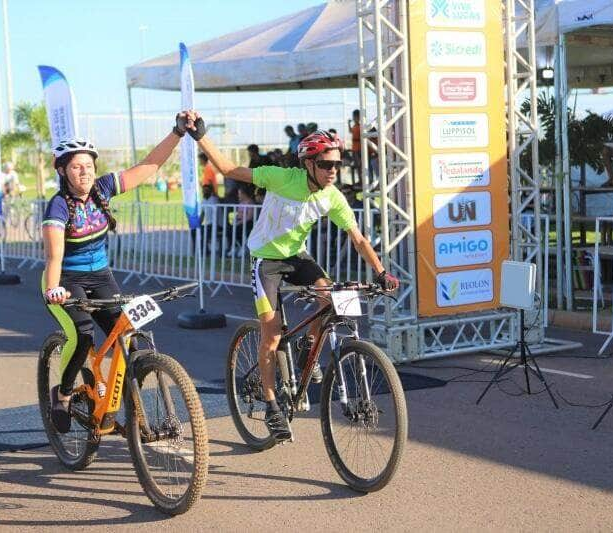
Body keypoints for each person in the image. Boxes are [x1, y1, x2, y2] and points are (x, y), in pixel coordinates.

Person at [184, 110, 399, 441]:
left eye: (338, 165)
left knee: (329, 295)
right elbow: (229, 169)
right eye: (327, 165)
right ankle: (271, 404)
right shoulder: (281, 178)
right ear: (309, 163)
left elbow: (358, 238)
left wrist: (382, 271)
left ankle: (309, 347)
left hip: (297, 256)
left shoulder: (333, 197)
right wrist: (200, 136)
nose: (333, 171)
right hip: (266, 259)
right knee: (271, 334)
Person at [42, 115, 188, 433]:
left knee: (132, 338)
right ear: (63, 170)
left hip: (101, 276)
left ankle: (124, 406)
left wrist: (177, 133)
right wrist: (54, 289)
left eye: (88, 165)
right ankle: (63, 395)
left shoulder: (103, 189)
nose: (84, 172)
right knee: (83, 336)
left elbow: (149, 166)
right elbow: (54, 257)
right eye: (77, 166)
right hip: (66, 280)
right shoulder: (58, 207)